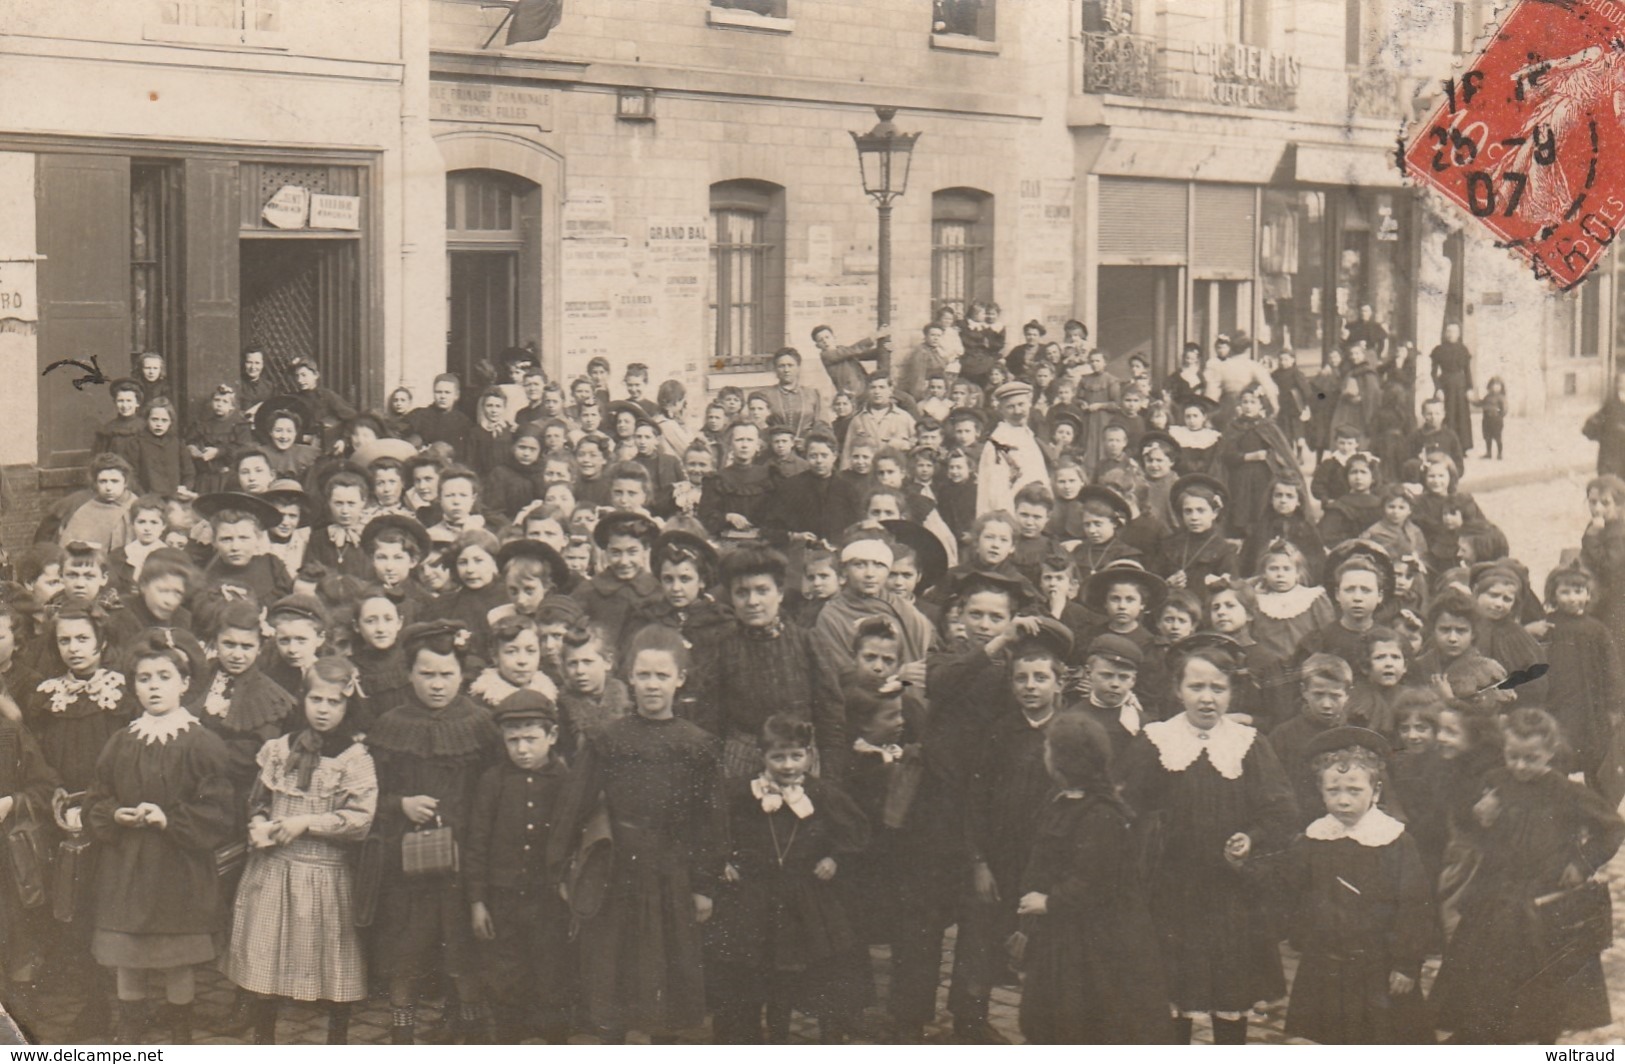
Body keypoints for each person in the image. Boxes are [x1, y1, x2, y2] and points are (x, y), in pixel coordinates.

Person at [545, 625, 726, 1042]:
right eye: (643, 675)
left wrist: (704, 885)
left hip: (671, 875)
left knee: (665, 978)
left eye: (662, 676)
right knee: (613, 976)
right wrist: (561, 870)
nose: (652, 685)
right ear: (629, 677)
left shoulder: (697, 746)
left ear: (680, 679)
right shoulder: (608, 740)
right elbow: (574, 806)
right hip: (616, 875)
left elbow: (711, 823)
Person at [1117, 641, 1298, 1044]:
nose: (1207, 698)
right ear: (1177, 690)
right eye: (1196, 687)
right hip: (1170, 890)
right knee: (1171, 997)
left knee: (1230, 993)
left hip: (1229, 892)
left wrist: (1250, 838)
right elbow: (1125, 807)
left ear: (1231, 693)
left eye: (1218, 688)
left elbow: (1281, 811)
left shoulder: (1249, 744)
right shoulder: (1156, 741)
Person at [1433, 708, 1625, 1043]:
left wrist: (1581, 863)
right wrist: (1480, 816)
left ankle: (1536, 1037)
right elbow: (1468, 829)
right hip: (1495, 892)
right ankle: (1483, 1033)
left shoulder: (1565, 791)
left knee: (1540, 974)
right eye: (1513, 756)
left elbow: (1611, 828)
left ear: (1550, 753)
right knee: (1485, 968)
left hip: (1542, 898)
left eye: (1531, 758)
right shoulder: (1495, 781)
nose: (1520, 766)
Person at [86, 630, 233, 1045]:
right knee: (127, 955)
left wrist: (170, 818)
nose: (154, 687)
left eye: (164, 677)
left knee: (176, 957)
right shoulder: (120, 742)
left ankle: (180, 1034)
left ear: (185, 683)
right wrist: (115, 813)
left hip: (177, 867)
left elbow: (219, 809)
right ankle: (130, 1032)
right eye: (145, 678)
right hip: (127, 867)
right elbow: (98, 796)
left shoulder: (202, 743)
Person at [1246, 727, 1431, 1044]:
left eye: (1354, 790)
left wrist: (1406, 963)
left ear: (1375, 792)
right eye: (1333, 790)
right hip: (1324, 964)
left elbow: (1415, 906)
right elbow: (1286, 884)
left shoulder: (1394, 841)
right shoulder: (1316, 837)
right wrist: (1246, 866)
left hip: (1378, 965)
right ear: (1321, 792)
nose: (1343, 800)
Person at [225, 656, 376, 1045]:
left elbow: (360, 819)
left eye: (334, 702)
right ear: (303, 699)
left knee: (332, 959)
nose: (323, 710)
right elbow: (257, 799)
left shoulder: (352, 758)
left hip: (324, 873)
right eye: (316, 700)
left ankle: (335, 1041)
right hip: (274, 869)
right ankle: (265, 1039)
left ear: (347, 705)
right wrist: (259, 823)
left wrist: (306, 823)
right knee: (267, 956)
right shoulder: (279, 749)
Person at [366, 619, 503, 1044]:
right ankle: (402, 1032)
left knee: (462, 948)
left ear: (462, 675)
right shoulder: (390, 723)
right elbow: (368, 792)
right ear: (409, 674)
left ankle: (468, 1029)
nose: (437, 684)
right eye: (426, 674)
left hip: (463, 859)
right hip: (405, 858)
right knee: (405, 949)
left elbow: (496, 790)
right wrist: (400, 805)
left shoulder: (481, 724)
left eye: (446, 674)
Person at [706, 714, 870, 1043]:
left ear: (809, 755)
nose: (788, 765)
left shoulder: (822, 794)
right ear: (761, 756)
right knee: (749, 975)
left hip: (803, 897)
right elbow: (711, 826)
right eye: (777, 757)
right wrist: (721, 861)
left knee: (805, 971)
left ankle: (794, 1036)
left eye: (797, 756)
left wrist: (835, 857)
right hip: (752, 897)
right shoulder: (740, 793)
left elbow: (857, 831)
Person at [1016, 713, 1172, 1044]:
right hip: (1062, 933)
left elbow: (1095, 883)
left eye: (1049, 748)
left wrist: (1049, 902)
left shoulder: (1100, 815)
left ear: (1063, 761)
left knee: (1088, 1017)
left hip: (1096, 940)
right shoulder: (1059, 800)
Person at [466, 689, 575, 1044]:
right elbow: (477, 843)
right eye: (513, 740)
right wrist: (477, 901)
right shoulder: (493, 781)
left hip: (548, 901)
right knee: (505, 979)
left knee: (552, 977)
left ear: (552, 736)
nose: (522, 749)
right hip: (503, 900)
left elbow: (576, 838)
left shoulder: (565, 780)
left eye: (531, 739)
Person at [977, 381, 1050, 516]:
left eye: (1021, 404)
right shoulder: (999, 442)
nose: (1017, 411)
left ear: (1029, 403)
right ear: (1001, 410)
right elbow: (996, 494)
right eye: (1010, 407)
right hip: (1012, 518)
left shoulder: (1026, 434)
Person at [1429, 322, 1476, 454]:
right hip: (1445, 386)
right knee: (1447, 415)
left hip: (1460, 386)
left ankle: (1462, 447)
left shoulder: (1463, 350)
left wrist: (1469, 388)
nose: (1451, 334)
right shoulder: (1438, 350)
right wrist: (1438, 388)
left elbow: (1467, 371)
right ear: (1445, 333)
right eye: (1448, 331)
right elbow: (1433, 373)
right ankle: (1446, 446)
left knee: (1461, 415)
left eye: (1454, 331)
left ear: (1458, 334)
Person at [1582, 369, 1625, 476]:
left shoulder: (1611, 403)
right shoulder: (1611, 404)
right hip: (1611, 459)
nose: (1621, 385)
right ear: (1617, 385)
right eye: (1620, 382)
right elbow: (1593, 426)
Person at [1476, 376, 1508, 460]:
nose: (1495, 387)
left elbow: (1505, 408)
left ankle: (1499, 453)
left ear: (1501, 387)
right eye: (1493, 385)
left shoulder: (1501, 397)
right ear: (1490, 386)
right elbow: (1481, 403)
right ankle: (1488, 452)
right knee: (1487, 436)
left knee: (1498, 437)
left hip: (1496, 419)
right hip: (1486, 419)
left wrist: (1500, 415)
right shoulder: (1487, 396)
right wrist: (1473, 400)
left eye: (1498, 385)